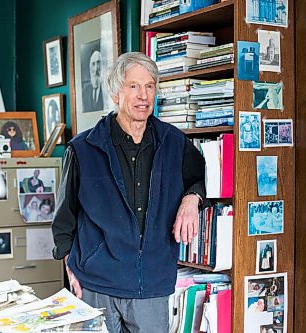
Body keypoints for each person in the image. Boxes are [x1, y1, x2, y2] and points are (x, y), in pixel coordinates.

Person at [52, 52, 206, 332]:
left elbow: (198, 177)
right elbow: (64, 218)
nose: (143, 95)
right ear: (114, 94)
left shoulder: (175, 142)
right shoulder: (82, 149)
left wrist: (191, 199)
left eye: (149, 86)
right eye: (133, 86)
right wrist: (70, 266)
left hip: (152, 284)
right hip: (96, 283)